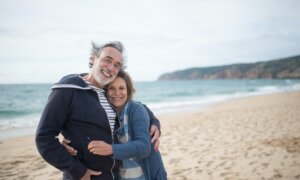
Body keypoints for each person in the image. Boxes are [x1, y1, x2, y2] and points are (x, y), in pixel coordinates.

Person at [35, 41, 160, 180]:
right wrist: (77, 170)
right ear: (93, 58)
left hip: (114, 175)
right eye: (108, 60)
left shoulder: (107, 91)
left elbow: (133, 105)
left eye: (117, 65)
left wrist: (154, 121)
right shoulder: (68, 89)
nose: (111, 67)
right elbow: (44, 138)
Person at [87, 70, 167, 179]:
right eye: (112, 88)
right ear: (105, 91)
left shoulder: (136, 110)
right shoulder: (107, 116)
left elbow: (144, 147)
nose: (117, 93)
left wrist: (111, 149)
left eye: (121, 88)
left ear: (128, 91)